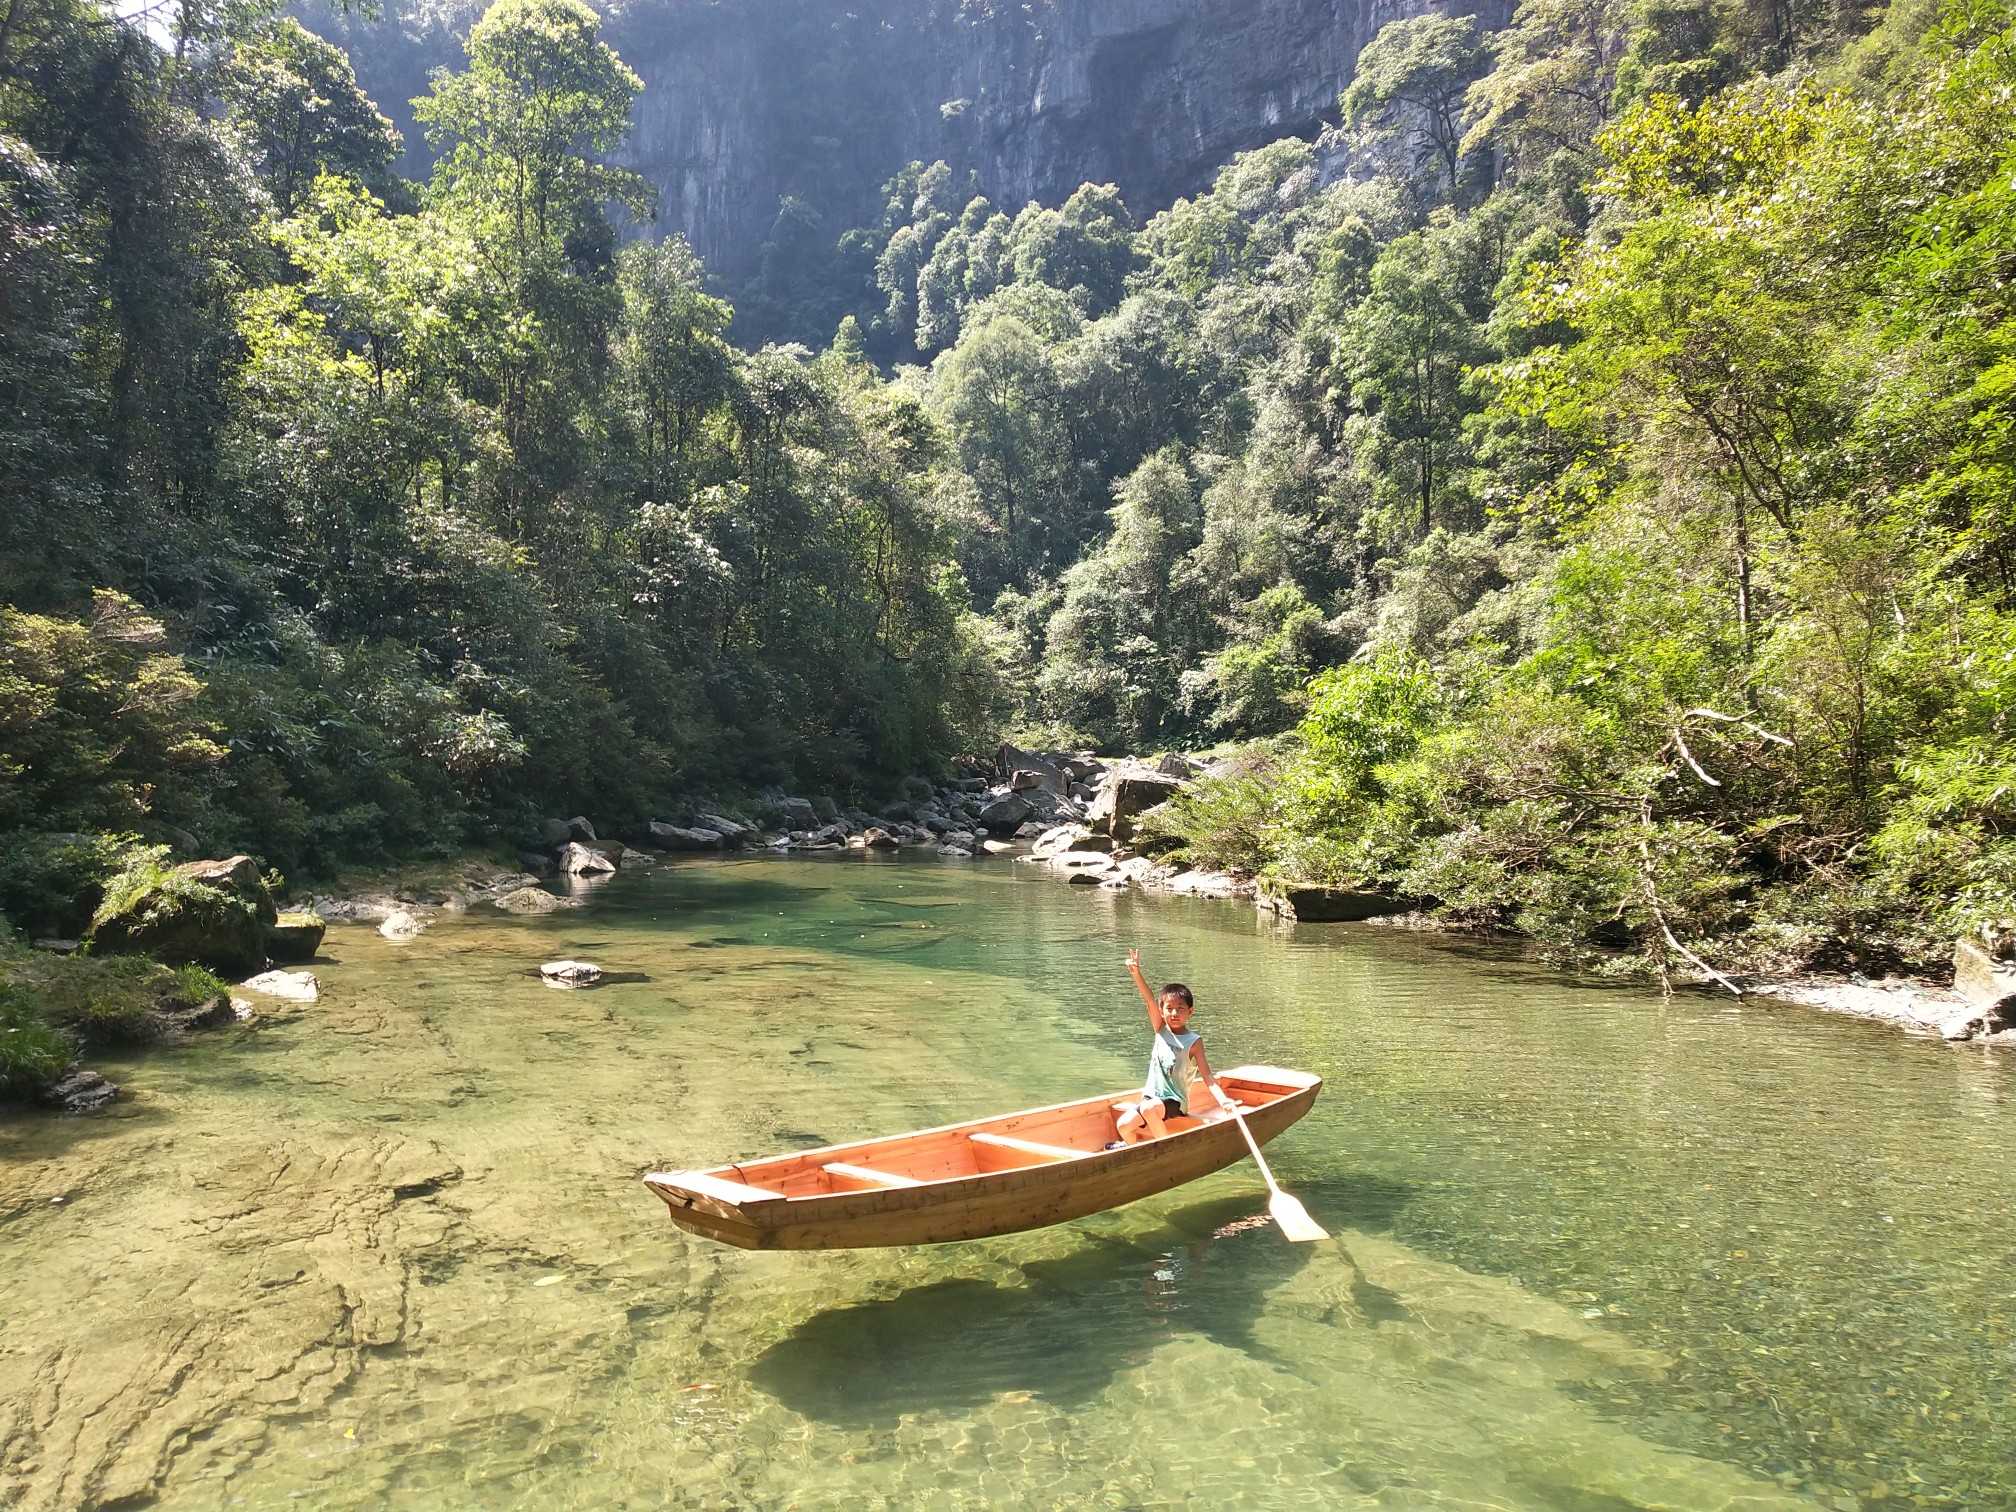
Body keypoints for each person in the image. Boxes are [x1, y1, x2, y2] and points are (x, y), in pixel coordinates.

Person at [1111, 947, 1225, 1146]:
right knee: (1123, 1125)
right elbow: (1148, 1000)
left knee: (1148, 1110)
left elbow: (1207, 1076)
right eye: (1169, 1009)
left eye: (1180, 1009)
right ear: (1162, 1011)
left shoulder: (1194, 1041)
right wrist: (1136, 973)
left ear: (1191, 1011)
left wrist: (1224, 1100)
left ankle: (1165, 1148)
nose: (1174, 1013)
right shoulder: (1161, 1030)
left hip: (1175, 1102)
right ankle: (1132, 1150)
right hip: (1151, 1100)